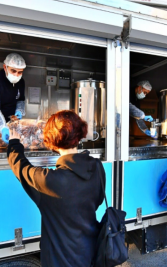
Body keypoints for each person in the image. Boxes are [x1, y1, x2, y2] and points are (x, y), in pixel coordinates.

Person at [7, 110, 105, 267]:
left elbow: (21, 167)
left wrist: (14, 143)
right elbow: (98, 200)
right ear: (79, 134)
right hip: (90, 252)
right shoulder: (97, 167)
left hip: (59, 260)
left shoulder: (49, 181)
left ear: (51, 140)